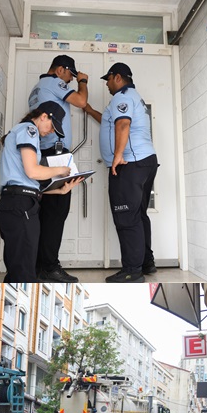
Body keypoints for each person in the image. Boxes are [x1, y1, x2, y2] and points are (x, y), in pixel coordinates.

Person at [84, 62, 158, 283]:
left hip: (130, 164)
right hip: (145, 162)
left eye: (108, 79)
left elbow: (123, 125)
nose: (106, 84)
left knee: (127, 216)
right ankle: (146, 262)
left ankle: (132, 270)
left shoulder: (121, 97)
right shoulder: (133, 97)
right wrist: (89, 110)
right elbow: (111, 122)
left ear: (117, 77)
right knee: (138, 214)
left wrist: (117, 155)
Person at [0, 101, 82, 282]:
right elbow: (33, 171)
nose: (51, 132)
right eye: (52, 126)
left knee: (19, 268)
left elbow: (28, 182)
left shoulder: (25, 132)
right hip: (20, 206)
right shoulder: (29, 130)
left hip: (18, 204)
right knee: (23, 273)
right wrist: (61, 170)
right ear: (44, 116)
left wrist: (59, 191)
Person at [28, 55, 90, 284]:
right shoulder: (54, 82)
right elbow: (82, 102)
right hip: (54, 155)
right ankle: (50, 267)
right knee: (56, 212)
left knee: (44, 213)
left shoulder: (36, 89)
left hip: (41, 153)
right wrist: (83, 82)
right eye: (71, 75)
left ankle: (37, 265)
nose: (72, 80)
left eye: (75, 78)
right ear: (61, 70)